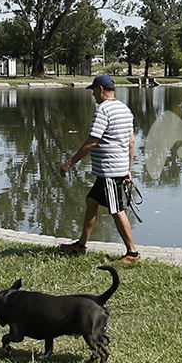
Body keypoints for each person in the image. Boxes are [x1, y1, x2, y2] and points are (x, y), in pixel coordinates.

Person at [58, 74, 140, 263]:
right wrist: (128, 168)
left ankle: (133, 253)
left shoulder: (103, 110)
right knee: (92, 201)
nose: (93, 94)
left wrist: (69, 163)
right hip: (116, 168)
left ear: (101, 90)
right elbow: (131, 141)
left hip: (109, 170)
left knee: (116, 209)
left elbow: (91, 142)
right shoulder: (125, 109)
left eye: (94, 90)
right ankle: (81, 245)